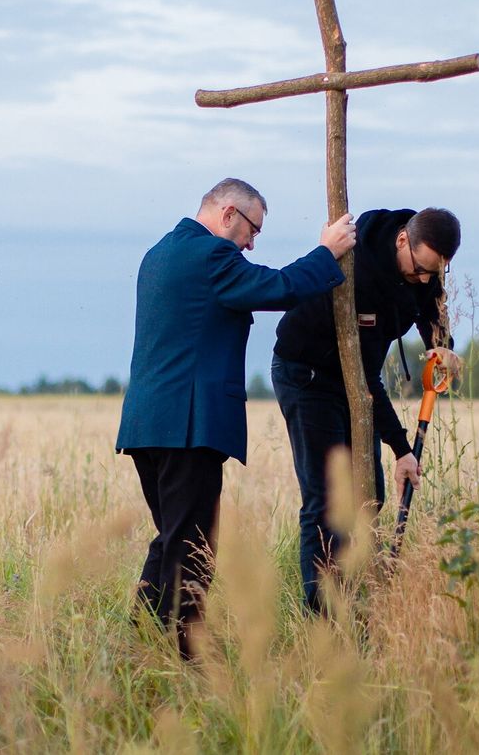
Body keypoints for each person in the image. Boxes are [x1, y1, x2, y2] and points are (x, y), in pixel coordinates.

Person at [116, 177, 357, 658]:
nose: (251, 243)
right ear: (228, 214)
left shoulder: (159, 252)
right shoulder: (211, 257)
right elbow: (280, 287)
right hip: (189, 425)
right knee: (193, 548)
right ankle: (184, 656)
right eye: (252, 230)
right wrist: (326, 253)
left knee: (171, 540)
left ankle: (142, 642)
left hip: (147, 423)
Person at [271, 207, 461, 614]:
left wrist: (441, 343)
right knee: (326, 500)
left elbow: (431, 305)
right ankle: (321, 616)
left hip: (355, 379)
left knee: (367, 494)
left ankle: (361, 602)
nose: (424, 279)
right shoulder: (358, 274)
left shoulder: (423, 268)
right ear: (402, 241)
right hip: (309, 374)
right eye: (420, 270)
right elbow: (367, 382)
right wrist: (401, 449)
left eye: (435, 273)